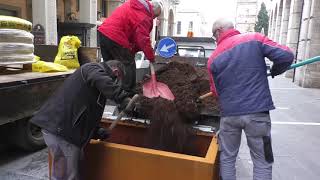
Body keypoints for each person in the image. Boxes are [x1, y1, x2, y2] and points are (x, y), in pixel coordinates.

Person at [208, 18, 294, 180]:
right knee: (263, 160)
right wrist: (276, 70)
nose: (215, 40)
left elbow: (215, 92)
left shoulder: (213, 59)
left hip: (229, 116)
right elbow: (287, 56)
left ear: (219, 31)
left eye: (214, 37)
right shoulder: (254, 39)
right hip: (258, 115)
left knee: (227, 158)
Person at [31, 60, 130, 180]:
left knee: (62, 172)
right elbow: (102, 80)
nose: (116, 82)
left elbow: (85, 112)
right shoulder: (92, 68)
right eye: (116, 78)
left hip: (61, 129)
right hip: (63, 131)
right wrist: (124, 99)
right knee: (68, 175)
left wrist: (96, 131)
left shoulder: (93, 86)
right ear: (115, 72)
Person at [98, 0, 162, 93]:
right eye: (155, 16)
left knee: (110, 66)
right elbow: (143, 39)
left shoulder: (134, 5)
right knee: (128, 64)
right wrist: (151, 56)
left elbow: (134, 35)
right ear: (153, 11)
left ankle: (107, 91)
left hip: (104, 32)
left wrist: (132, 49)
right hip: (116, 36)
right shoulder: (144, 16)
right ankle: (128, 94)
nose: (153, 18)